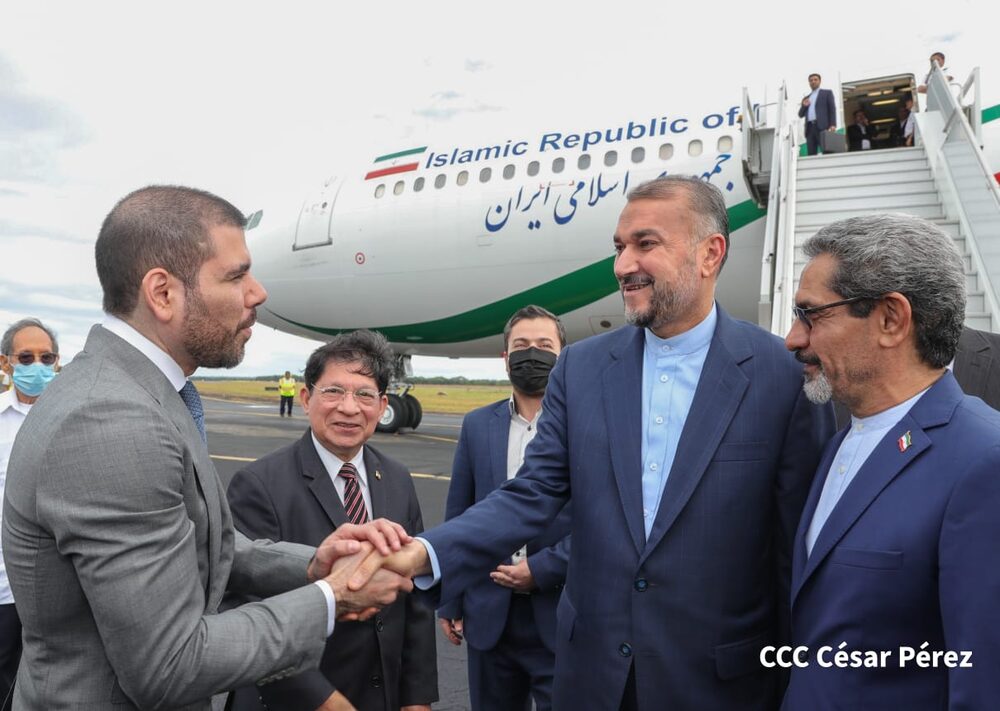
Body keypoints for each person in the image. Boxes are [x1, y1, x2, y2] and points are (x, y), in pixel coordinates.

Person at [354, 175, 836, 710]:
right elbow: (531, 493)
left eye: (645, 244)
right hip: (593, 678)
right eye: (619, 247)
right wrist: (424, 554)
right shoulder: (581, 369)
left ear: (710, 253)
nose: (623, 265)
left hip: (719, 683)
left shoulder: (780, 375)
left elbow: (797, 551)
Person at [1, 185, 413, 711]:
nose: (257, 292)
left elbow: (193, 543)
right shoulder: (110, 421)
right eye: (237, 275)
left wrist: (313, 564)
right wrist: (333, 597)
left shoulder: (144, 393)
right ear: (163, 293)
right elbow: (170, 664)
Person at [782, 213, 1000, 708]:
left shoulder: (984, 462)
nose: (794, 338)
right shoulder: (842, 441)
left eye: (811, 315)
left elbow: (984, 681)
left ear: (890, 319)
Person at [227, 330, 437, 711]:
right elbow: (247, 607)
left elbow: (416, 598)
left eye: (364, 395)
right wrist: (324, 701)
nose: (349, 408)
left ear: (382, 404)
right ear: (306, 398)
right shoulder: (259, 483)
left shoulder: (397, 478)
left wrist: (417, 699)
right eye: (333, 392)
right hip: (294, 701)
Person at [438, 305, 571, 711]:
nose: (533, 354)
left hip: (561, 610)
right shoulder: (478, 424)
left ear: (563, 356)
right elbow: (460, 511)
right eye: (522, 346)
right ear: (505, 358)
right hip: (490, 611)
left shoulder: (585, 422)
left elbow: (601, 522)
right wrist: (450, 599)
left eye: (545, 346)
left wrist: (543, 569)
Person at [0, 318, 59, 711]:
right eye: (26, 357)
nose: (37, 366)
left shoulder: (74, 416)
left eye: (47, 357)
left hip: (56, 590)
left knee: (51, 687)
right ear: (5, 363)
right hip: (4, 588)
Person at [798, 73, 837, 156]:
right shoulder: (806, 98)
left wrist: (833, 124)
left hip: (823, 127)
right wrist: (804, 106)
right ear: (809, 83)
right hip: (809, 129)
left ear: (820, 81)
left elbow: (832, 109)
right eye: (811, 80)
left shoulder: (827, 93)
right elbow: (800, 114)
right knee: (811, 154)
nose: (813, 82)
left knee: (827, 152)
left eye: (815, 80)